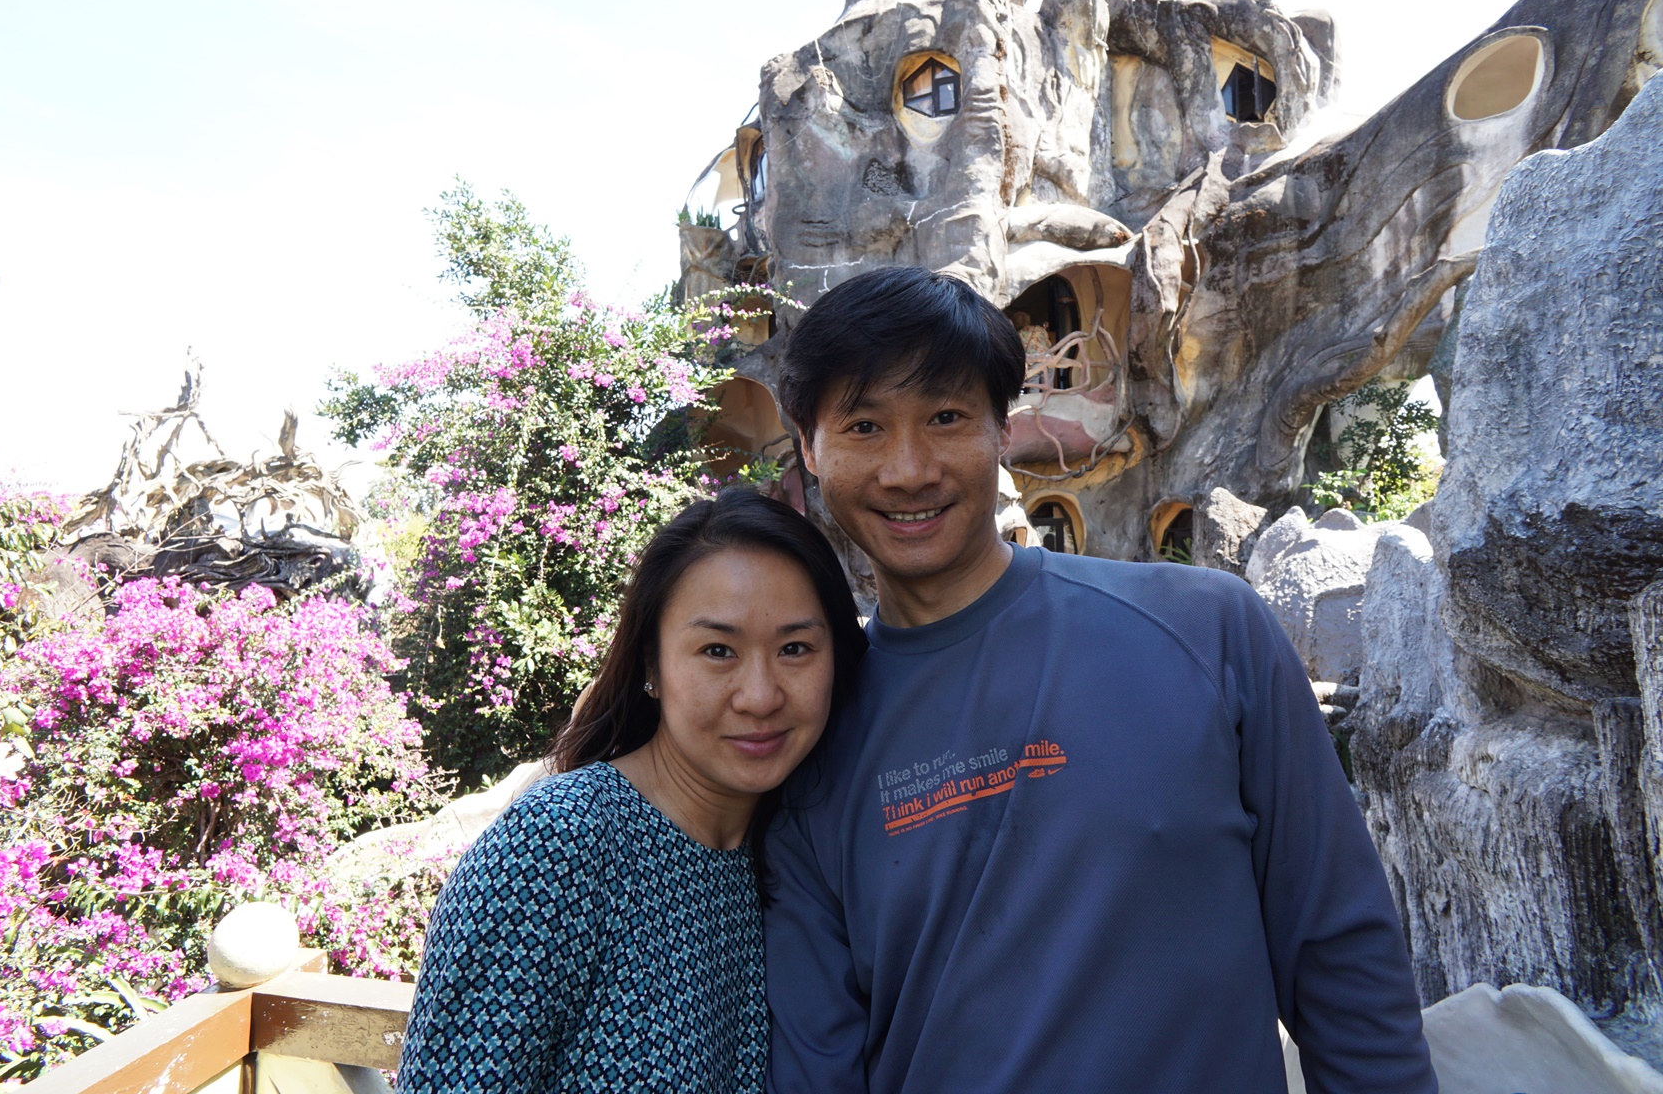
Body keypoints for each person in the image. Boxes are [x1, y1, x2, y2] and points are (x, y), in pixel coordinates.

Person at [764, 267, 1437, 1094]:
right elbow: (817, 1061)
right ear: (810, 448)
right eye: (864, 426)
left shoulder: (1208, 631)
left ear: (1002, 428)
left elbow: (1341, 954)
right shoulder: (807, 739)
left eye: (945, 417)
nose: (908, 469)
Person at [398, 488, 868, 1093]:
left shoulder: (794, 847)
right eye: (718, 650)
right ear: (653, 664)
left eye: (794, 648)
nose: (760, 696)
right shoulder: (559, 845)